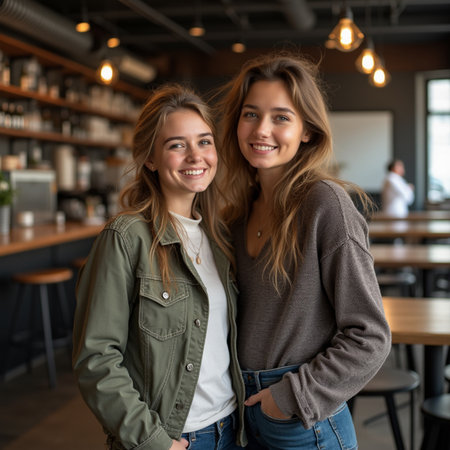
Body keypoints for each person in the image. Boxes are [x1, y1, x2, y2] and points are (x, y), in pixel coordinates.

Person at [217, 52, 392, 449]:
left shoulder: (324, 203)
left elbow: (371, 335)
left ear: (307, 131)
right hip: (244, 412)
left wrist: (289, 398)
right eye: (250, 114)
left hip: (301, 418)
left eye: (281, 117)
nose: (262, 129)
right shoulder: (236, 214)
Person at [72, 84, 246, 450]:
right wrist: (152, 441)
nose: (195, 156)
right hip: (174, 437)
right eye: (176, 145)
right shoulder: (126, 238)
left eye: (204, 142)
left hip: (233, 429)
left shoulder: (221, 238)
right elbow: (96, 358)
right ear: (150, 158)